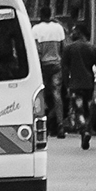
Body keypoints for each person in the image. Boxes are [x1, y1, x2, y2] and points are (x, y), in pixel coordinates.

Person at [61, 29, 96, 149]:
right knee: (87, 109)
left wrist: (66, 84)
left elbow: (64, 69)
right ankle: (88, 129)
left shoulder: (68, 49)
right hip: (89, 85)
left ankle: (84, 131)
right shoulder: (93, 49)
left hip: (75, 85)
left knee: (78, 110)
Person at [30, 8, 65, 138]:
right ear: (50, 14)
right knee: (57, 94)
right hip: (57, 65)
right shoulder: (58, 28)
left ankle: (43, 123)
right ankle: (60, 125)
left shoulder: (36, 29)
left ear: (40, 15)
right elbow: (63, 48)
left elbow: (35, 51)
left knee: (41, 94)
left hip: (43, 66)